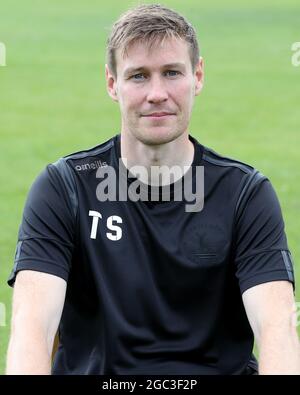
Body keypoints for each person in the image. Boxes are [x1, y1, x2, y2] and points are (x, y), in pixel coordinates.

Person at [6, 4, 300, 375]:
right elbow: (31, 328)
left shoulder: (244, 194)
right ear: (112, 83)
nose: (157, 93)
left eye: (172, 72)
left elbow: (277, 328)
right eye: (139, 76)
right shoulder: (64, 188)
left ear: (198, 75)